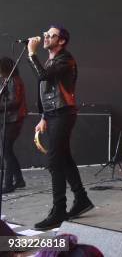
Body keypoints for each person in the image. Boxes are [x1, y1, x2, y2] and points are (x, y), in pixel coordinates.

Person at [26, 25, 94, 230]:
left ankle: (59, 210)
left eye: (51, 35)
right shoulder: (52, 59)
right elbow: (44, 89)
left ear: (62, 40)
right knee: (64, 159)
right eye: (45, 34)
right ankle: (81, 199)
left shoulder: (65, 59)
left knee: (54, 162)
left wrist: (31, 53)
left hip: (63, 114)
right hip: (54, 114)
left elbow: (43, 76)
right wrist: (43, 116)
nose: (45, 37)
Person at [0, 57, 27, 193]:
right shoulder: (9, 80)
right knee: (7, 151)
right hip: (10, 119)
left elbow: (15, 102)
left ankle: (8, 184)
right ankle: (19, 180)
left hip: (13, 119)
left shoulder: (13, 80)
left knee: (5, 151)